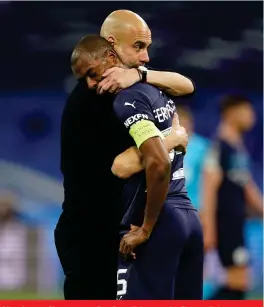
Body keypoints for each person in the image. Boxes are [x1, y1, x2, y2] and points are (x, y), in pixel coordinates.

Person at [55, 10, 195, 300]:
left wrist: (140, 74)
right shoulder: (99, 94)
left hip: (110, 230)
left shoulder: (130, 86)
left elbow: (187, 86)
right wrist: (172, 139)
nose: (146, 57)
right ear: (111, 46)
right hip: (91, 234)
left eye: (147, 48)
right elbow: (123, 165)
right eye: (138, 47)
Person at [202, 95, 263, 300]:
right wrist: (209, 229)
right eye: (247, 111)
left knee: (240, 283)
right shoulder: (220, 147)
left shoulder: (237, 148)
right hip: (224, 227)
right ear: (231, 113)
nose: (252, 117)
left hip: (236, 226)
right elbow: (208, 189)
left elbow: (247, 188)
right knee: (236, 282)